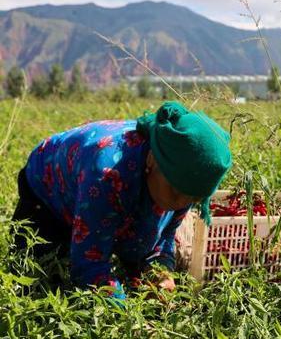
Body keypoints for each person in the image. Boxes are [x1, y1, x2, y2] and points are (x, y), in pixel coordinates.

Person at [11, 101, 232, 299]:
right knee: (38, 274)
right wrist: (129, 322)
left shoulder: (181, 179)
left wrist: (161, 274)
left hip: (114, 184)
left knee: (138, 251)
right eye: (175, 192)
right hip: (47, 190)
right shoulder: (107, 175)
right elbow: (89, 266)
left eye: (193, 198)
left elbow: (163, 239)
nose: (180, 203)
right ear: (153, 160)